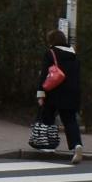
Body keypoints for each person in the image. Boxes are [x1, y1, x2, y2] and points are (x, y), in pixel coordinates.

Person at [35, 29, 84, 164]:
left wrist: (40, 93)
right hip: (73, 92)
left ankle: (48, 146)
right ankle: (76, 145)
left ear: (51, 41)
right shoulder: (74, 55)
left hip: (54, 92)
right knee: (70, 120)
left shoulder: (50, 53)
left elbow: (44, 74)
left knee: (47, 116)